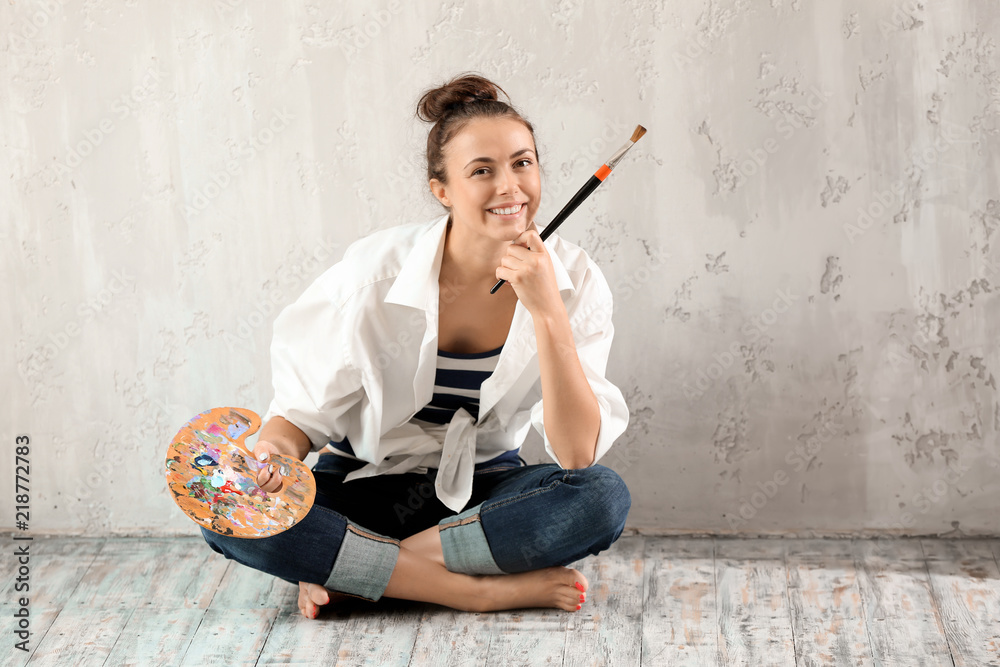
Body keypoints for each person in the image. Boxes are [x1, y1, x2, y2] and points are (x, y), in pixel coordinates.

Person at [200, 73, 632, 618]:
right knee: (225, 508)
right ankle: (467, 591)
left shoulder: (576, 279)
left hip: (482, 499)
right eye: (482, 171)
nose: (510, 187)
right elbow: (297, 421)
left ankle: (363, 574)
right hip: (360, 489)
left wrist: (547, 313)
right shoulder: (371, 275)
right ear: (442, 190)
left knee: (601, 498)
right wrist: (268, 459)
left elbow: (576, 454)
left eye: (523, 163)